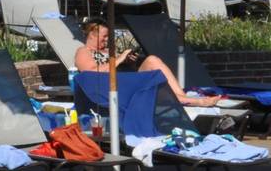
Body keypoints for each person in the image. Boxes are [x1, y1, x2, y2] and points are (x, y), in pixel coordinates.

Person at [75, 20, 221, 107]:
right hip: (110, 89)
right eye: (105, 36)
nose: (107, 40)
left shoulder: (108, 51)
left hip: (126, 82)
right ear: (93, 34)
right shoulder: (83, 51)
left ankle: (181, 96)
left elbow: (119, 67)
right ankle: (192, 101)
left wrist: (129, 62)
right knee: (151, 62)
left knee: (152, 60)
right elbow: (90, 74)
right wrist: (118, 60)